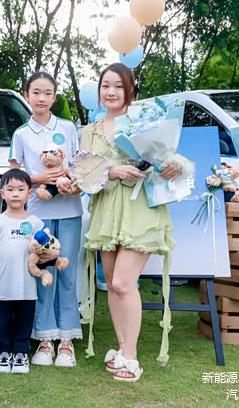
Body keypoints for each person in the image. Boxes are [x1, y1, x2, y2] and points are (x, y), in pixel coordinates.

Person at [79, 63, 190, 382]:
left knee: (124, 283)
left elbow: (172, 159)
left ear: (130, 89)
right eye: (105, 86)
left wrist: (174, 165)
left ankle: (131, 357)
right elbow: (83, 175)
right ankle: (122, 347)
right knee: (112, 284)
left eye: (118, 85)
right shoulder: (90, 131)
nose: (111, 91)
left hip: (140, 209)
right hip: (106, 211)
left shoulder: (145, 121)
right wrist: (112, 171)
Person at [9, 72, 83, 367]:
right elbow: (13, 176)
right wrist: (38, 178)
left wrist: (72, 183)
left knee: (67, 272)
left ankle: (67, 339)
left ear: (55, 97)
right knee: (42, 271)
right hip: (38, 215)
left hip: (70, 210)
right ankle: (44, 338)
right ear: (26, 95)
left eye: (47, 93)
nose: (41, 98)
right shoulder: (20, 134)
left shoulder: (68, 128)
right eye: (36, 92)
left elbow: (79, 166)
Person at [0, 169, 45, 374]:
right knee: (2, 320)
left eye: (20, 189)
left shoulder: (36, 224)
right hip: (2, 284)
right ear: (2, 193)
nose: (15, 194)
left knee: (25, 319)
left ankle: (21, 354)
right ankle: (3, 353)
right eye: (10, 189)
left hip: (27, 284)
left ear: (29, 193)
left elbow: (45, 251)